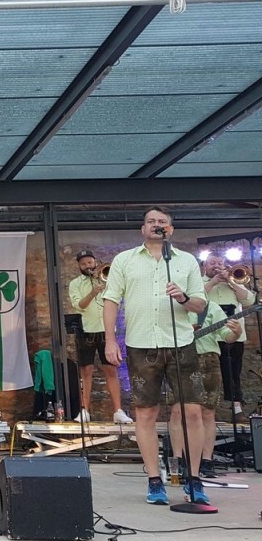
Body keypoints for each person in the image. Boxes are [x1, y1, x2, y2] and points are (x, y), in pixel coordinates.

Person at [103, 206, 208, 505]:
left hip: (181, 343)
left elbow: (200, 304)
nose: (156, 225)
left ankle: (194, 478)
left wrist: (183, 298)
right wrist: (110, 340)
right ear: (143, 228)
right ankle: (154, 479)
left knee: (192, 411)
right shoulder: (124, 260)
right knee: (146, 413)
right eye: (151, 221)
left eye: (162, 222)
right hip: (141, 345)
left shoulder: (185, 261)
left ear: (170, 230)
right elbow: (111, 300)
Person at [170, 300, 241, 480]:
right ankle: (178, 461)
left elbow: (226, 336)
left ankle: (207, 460)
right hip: (179, 358)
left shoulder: (211, 307)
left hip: (208, 359)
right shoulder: (169, 305)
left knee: (208, 412)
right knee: (178, 411)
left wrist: (236, 332)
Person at [67, 250, 133, 424]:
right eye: (83, 264)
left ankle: (118, 411)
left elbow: (118, 297)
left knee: (111, 370)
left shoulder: (106, 278)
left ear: (95, 262)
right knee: (86, 372)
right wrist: (93, 292)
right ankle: (84, 411)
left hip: (106, 330)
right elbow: (80, 305)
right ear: (79, 266)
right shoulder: (75, 284)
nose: (87, 266)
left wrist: (104, 283)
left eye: (90, 262)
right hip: (86, 330)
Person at [202, 252, 255, 423]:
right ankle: (206, 410)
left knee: (233, 373)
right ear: (204, 266)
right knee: (206, 375)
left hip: (234, 336)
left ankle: (237, 409)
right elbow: (195, 299)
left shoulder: (235, 282)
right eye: (212, 263)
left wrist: (230, 282)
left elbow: (249, 301)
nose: (216, 266)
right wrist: (213, 282)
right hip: (207, 337)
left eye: (219, 263)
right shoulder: (199, 283)